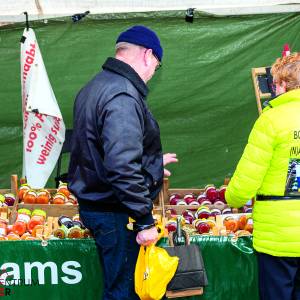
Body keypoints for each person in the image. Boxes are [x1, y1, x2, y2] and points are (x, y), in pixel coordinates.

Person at [68, 25, 178, 300]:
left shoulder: (94, 86)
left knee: (119, 287)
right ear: (148, 55)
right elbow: (120, 166)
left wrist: (151, 164)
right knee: (125, 293)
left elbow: (100, 151)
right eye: (156, 64)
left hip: (100, 206)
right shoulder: (123, 94)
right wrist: (143, 221)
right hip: (116, 213)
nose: (154, 72)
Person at [225, 52, 300, 300]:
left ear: (282, 84)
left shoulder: (271, 121)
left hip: (278, 237)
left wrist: (232, 197)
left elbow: (244, 183)